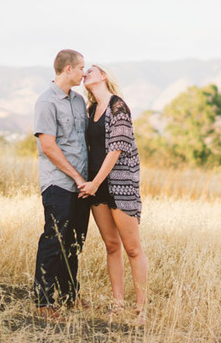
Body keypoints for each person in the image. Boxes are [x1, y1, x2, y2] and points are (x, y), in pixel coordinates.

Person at [78, 64, 148, 325]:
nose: (85, 74)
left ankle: (141, 310)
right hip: (97, 187)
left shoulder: (118, 106)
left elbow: (116, 149)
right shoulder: (90, 110)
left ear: (104, 76)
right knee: (111, 246)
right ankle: (118, 304)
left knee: (132, 248)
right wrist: (91, 183)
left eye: (91, 70)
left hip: (120, 186)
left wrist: (95, 183)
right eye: (83, 71)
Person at [32, 49, 90, 318]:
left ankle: (69, 297)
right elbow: (48, 146)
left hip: (82, 186)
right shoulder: (46, 102)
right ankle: (44, 302)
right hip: (59, 184)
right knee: (54, 240)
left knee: (75, 242)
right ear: (68, 69)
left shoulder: (78, 101)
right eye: (81, 68)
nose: (84, 73)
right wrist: (76, 177)